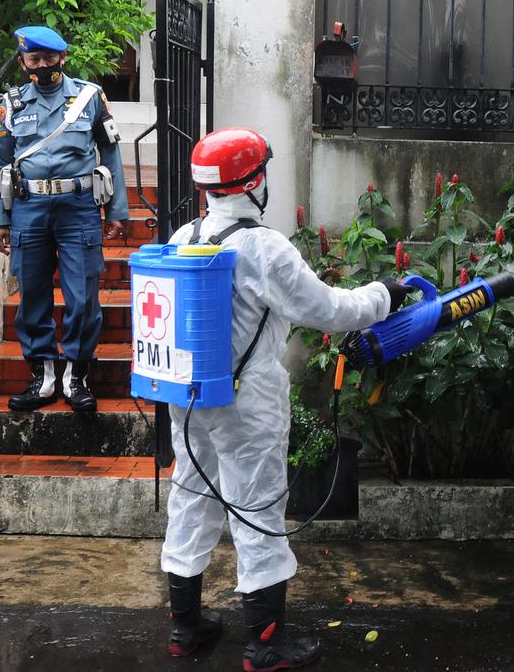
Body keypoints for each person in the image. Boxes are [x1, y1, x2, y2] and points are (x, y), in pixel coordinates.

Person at [159, 127, 413, 670]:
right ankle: (266, 645)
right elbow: (328, 310)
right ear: (251, 182)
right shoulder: (262, 246)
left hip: (189, 396)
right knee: (256, 508)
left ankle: (185, 629)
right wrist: (383, 295)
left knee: (191, 496)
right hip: (246, 401)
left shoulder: (184, 236)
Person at [0, 25, 129, 412]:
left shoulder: (89, 97)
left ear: (62, 58)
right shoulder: (9, 105)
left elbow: (110, 154)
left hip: (78, 209)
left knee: (82, 298)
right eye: (34, 59)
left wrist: (116, 209)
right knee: (32, 296)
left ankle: (75, 377)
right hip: (29, 210)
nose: (43, 65)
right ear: (23, 62)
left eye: (50, 58)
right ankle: (43, 378)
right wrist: (0, 220)